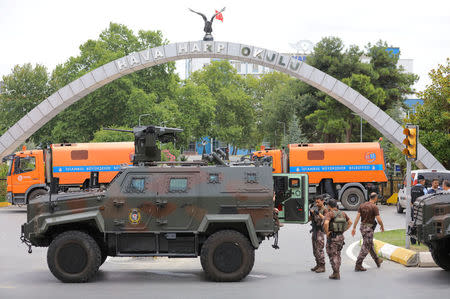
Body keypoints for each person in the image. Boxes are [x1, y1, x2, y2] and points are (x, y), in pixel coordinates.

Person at [351, 192, 385, 271]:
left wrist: (354, 227)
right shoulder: (374, 207)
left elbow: (357, 217)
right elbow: (378, 219)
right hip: (369, 229)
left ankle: (377, 260)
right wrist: (382, 226)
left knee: (370, 244)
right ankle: (358, 264)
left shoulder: (362, 205)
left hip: (362, 227)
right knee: (366, 246)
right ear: (375, 198)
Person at [323, 199, 352, 280]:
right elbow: (350, 222)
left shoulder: (330, 213)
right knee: (338, 254)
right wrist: (343, 230)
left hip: (333, 237)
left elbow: (326, 223)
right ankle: (336, 271)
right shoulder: (343, 213)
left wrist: (327, 232)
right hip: (341, 237)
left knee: (332, 254)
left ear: (329, 206)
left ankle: (336, 273)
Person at [309, 195, 328, 273]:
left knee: (319, 249)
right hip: (314, 230)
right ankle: (318, 264)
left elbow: (326, 219)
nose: (317, 203)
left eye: (318, 202)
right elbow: (310, 218)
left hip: (320, 231)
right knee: (314, 249)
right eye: (316, 202)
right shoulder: (315, 208)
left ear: (322, 201)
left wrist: (317, 213)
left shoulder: (325, 209)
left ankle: (322, 266)